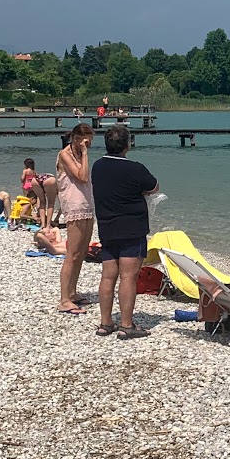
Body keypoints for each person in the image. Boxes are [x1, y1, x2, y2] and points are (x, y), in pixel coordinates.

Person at [90, 124, 157, 338]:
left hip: (107, 226)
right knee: (128, 277)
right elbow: (153, 187)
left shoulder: (98, 166)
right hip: (131, 228)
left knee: (108, 277)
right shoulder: (135, 168)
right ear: (127, 146)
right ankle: (126, 325)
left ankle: (105, 323)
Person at [54, 123, 96, 314]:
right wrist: (85, 154)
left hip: (86, 204)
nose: (89, 144)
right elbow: (82, 176)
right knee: (72, 253)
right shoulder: (65, 154)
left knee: (82, 252)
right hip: (74, 205)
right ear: (77, 139)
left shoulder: (79, 154)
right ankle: (64, 299)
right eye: (87, 140)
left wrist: (84, 154)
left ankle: (72, 292)